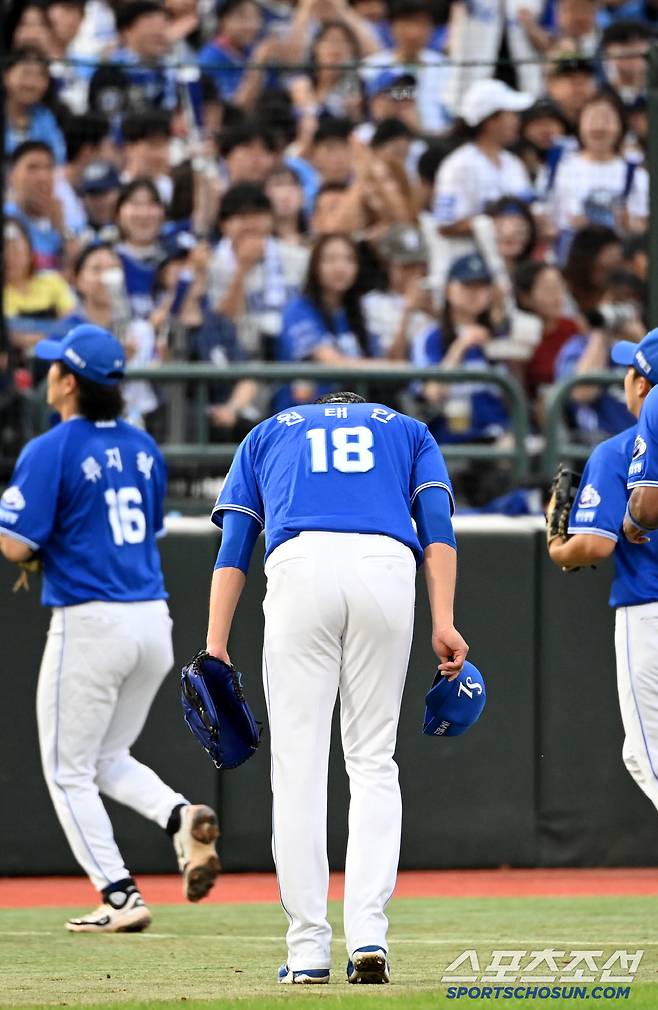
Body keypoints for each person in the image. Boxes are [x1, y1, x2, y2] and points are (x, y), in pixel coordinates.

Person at [206, 389, 467, 983]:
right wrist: (445, 620)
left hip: (301, 564)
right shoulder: (407, 430)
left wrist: (216, 641)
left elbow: (235, 543)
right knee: (373, 761)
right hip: (386, 567)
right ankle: (368, 938)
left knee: (299, 768)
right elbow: (437, 527)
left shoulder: (270, 431)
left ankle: (307, 952)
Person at [0, 324, 221, 933]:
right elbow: (147, 532)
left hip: (91, 621)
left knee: (67, 770)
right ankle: (181, 817)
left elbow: (16, 544)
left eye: (53, 368)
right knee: (106, 757)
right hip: (152, 619)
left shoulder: (52, 448)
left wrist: (40, 548)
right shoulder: (143, 446)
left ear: (69, 382)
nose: (47, 375)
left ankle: (120, 895)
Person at [548, 330, 658, 822]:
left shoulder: (618, 450)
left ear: (641, 384)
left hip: (648, 609)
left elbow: (593, 545)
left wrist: (556, 545)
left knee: (645, 755)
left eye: (630, 374)